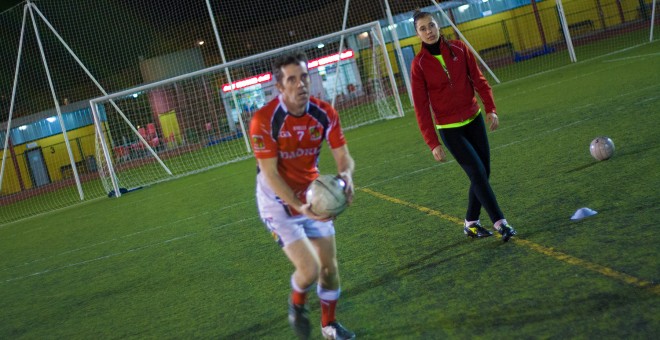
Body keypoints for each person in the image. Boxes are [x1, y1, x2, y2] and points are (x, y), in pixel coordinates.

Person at [249, 51, 356, 340]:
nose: (301, 85)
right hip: (278, 203)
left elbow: (343, 156)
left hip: (314, 196)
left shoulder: (325, 113)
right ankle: (296, 304)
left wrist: (346, 177)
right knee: (308, 271)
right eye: (292, 80)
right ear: (280, 87)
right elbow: (270, 174)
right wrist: (298, 206)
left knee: (328, 268)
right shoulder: (264, 120)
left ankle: (329, 325)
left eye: (304, 77)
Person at [410, 10, 517, 242]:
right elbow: (421, 107)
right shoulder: (418, 65)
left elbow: (478, 79)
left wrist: (491, 108)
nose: (429, 31)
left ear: (438, 26)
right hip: (449, 129)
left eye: (431, 26)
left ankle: (471, 223)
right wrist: (433, 143)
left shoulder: (459, 48)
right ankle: (501, 223)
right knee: (477, 172)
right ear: (417, 34)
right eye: (423, 29)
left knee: (483, 173)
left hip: (474, 119)